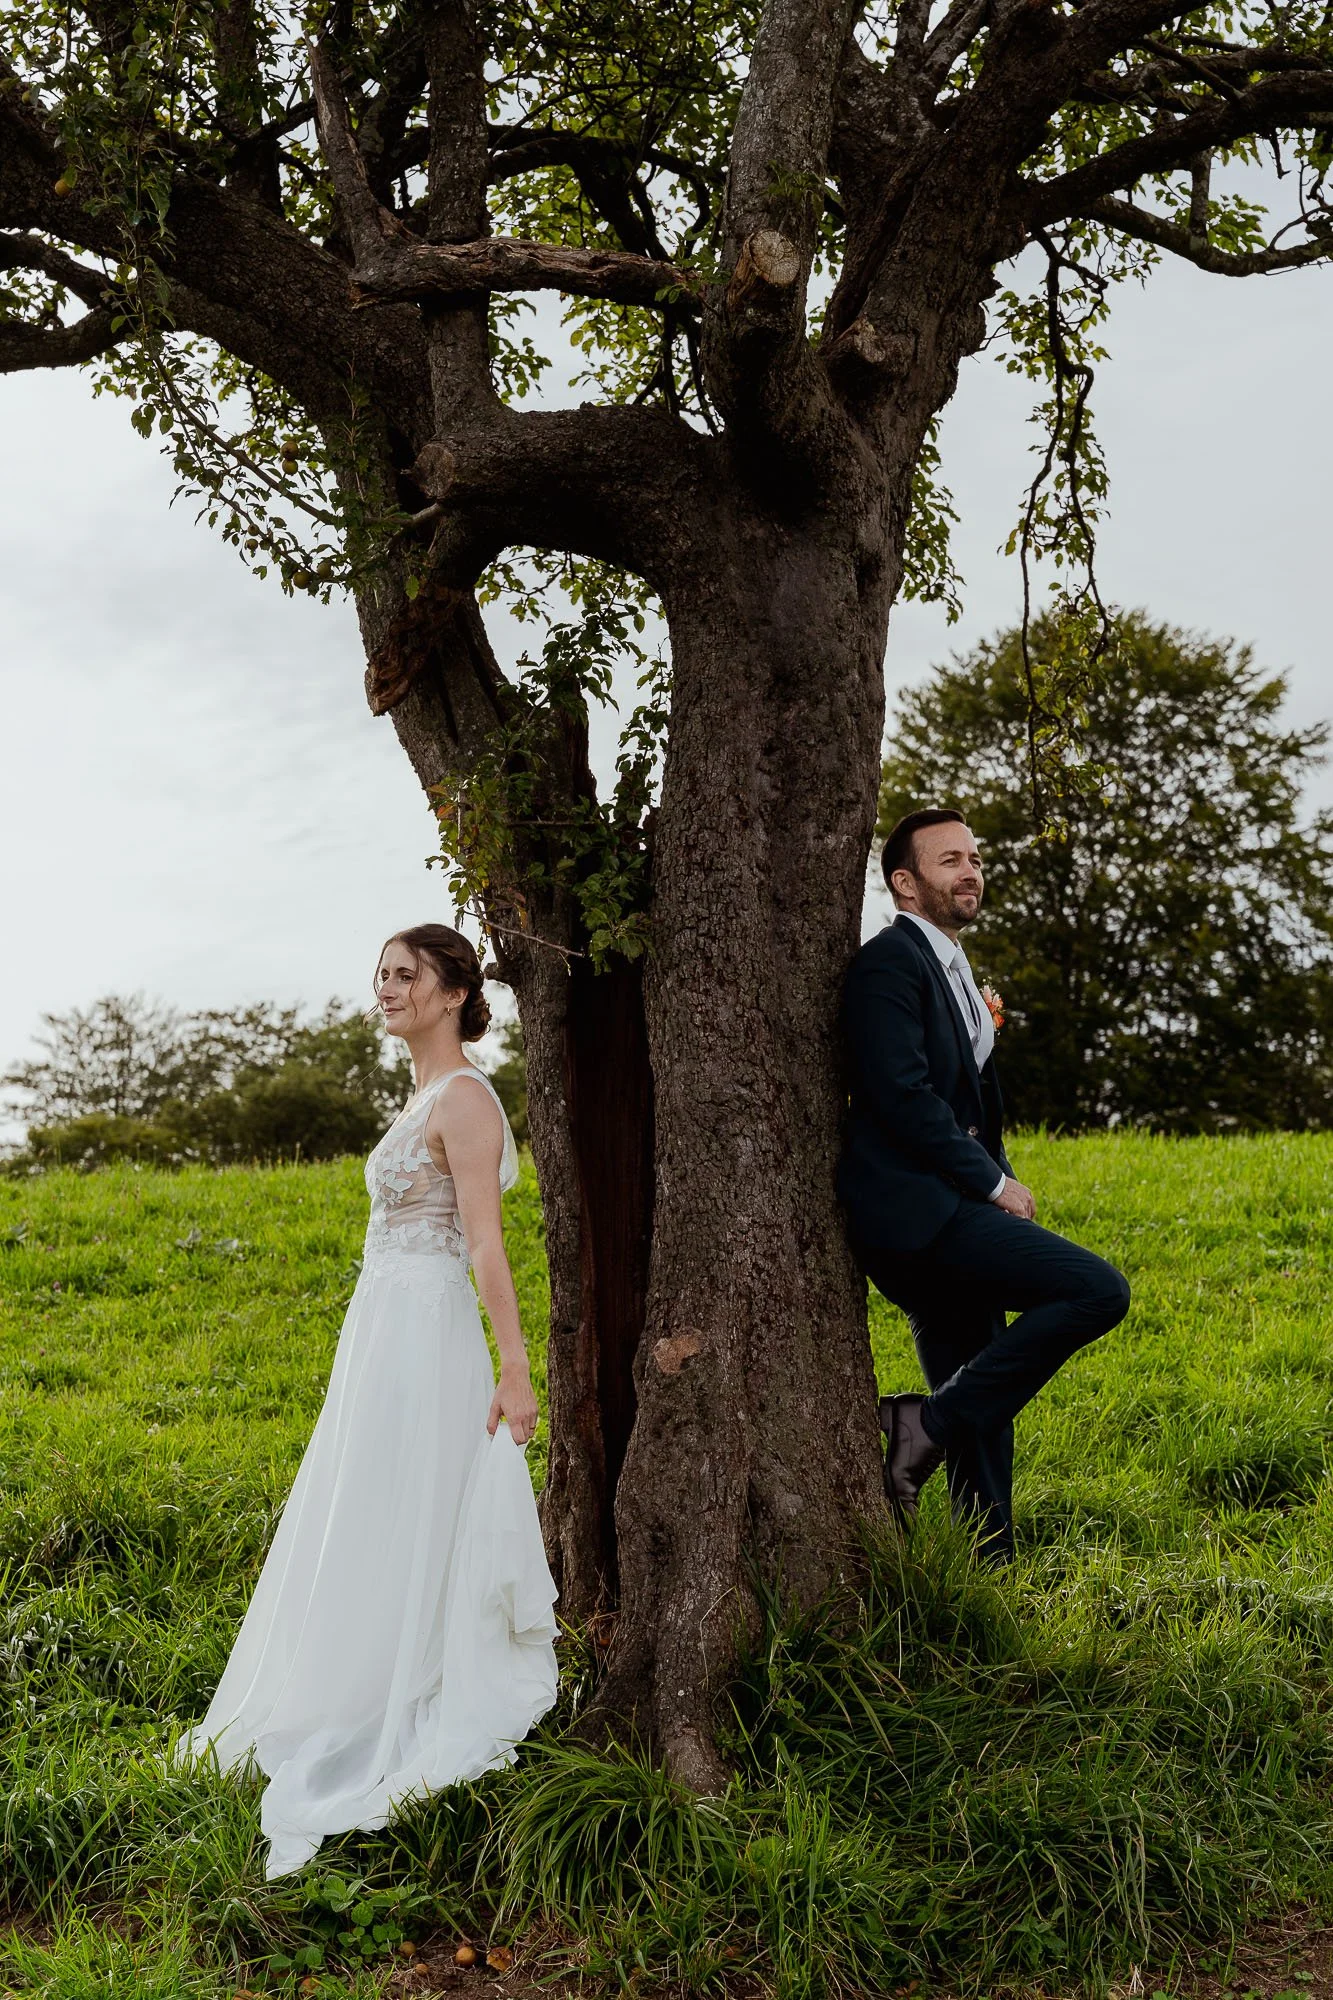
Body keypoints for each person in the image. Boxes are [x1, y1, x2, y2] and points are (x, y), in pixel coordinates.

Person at [180, 924, 557, 1877]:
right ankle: (351, 1678)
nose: (385, 988)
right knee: (370, 1505)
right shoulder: (420, 1096)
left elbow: (483, 1244)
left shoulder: (466, 1097)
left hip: (428, 1332)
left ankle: (412, 1685)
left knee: (413, 1501)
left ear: (450, 992)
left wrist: (515, 1367)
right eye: (381, 975)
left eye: (404, 975)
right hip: (380, 1329)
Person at [838, 809, 1131, 1561]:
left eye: (972, 857)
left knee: (984, 1398)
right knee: (1096, 1291)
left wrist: (990, 1178)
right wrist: (992, 1182)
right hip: (913, 1213)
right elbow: (900, 1095)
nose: (969, 871)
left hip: (949, 1206)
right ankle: (923, 1426)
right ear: (904, 883)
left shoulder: (952, 967)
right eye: (947, 861)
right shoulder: (888, 965)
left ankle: (984, 1571)